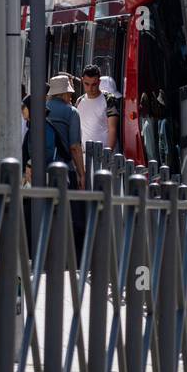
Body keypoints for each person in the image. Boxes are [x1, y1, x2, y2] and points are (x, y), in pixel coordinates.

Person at [45, 74, 86, 260]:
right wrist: (81, 173)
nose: (71, 96)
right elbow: (75, 147)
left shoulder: (40, 109)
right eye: (69, 93)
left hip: (42, 170)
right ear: (65, 94)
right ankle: (73, 257)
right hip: (65, 169)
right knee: (72, 214)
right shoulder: (71, 112)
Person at [76, 64, 119, 153]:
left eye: (94, 84)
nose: (90, 88)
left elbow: (113, 129)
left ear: (99, 82)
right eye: (86, 84)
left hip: (103, 155)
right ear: (82, 81)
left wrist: (108, 154)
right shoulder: (79, 101)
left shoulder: (109, 99)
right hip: (84, 155)